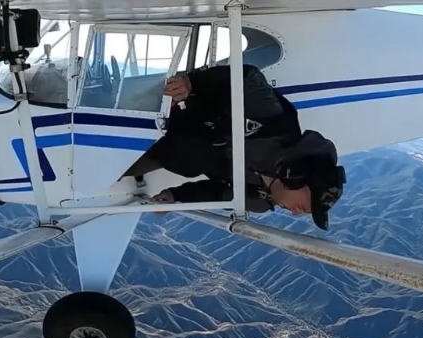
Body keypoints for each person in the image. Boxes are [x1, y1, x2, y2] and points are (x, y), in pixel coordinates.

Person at [130, 63, 346, 230]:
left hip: (161, 153)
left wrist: (175, 196)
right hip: (162, 113)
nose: (295, 213)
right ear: (299, 177)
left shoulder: (258, 201)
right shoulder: (276, 127)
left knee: (119, 171)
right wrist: (191, 83)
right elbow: (247, 78)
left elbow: (215, 193)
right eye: (303, 206)